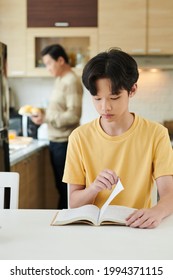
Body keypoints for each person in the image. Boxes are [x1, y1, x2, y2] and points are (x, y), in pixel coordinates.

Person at [62, 48, 173, 228]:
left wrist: (157, 211)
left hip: (137, 228)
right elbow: (73, 202)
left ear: (133, 90)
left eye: (114, 97)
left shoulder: (156, 134)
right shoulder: (79, 137)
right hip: (93, 231)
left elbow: (169, 195)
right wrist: (94, 188)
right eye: (97, 99)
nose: (105, 107)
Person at [31, 44, 83, 209]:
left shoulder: (71, 81)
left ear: (60, 60)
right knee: (61, 189)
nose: (47, 68)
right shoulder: (60, 79)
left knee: (66, 190)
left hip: (65, 143)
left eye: (48, 63)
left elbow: (73, 115)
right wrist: (43, 113)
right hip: (56, 142)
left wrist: (47, 117)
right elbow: (58, 110)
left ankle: (67, 226)